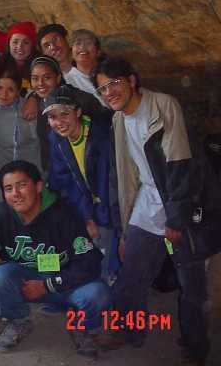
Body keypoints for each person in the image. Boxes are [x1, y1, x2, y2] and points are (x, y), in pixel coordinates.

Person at [94, 57, 221, 365]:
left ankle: (195, 349)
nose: (109, 92)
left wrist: (176, 220)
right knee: (132, 273)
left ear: (132, 81)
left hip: (184, 205)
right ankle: (128, 330)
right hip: (148, 202)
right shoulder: (118, 120)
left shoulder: (164, 106)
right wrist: (126, 224)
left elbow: (181, 167)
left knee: (191, 284)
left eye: (114, 84)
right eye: (102, 89)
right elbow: (126, 174)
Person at [0, 160, 110, 357]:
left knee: (98, 293)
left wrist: (48, 286)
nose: (16, 194)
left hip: (67, 283)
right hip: (27, 281)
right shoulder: (0, 213)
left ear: (38, 187)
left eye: (22, 185)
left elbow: (90, 263)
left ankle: (82, 327)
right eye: (8, 188)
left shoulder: (65, 214)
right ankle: (18, 321)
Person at [44, 85, 117, 281]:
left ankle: (104, 283)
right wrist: (85, 217)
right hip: (85, 206)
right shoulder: (57, 140)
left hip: (111, 205)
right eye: (52, 117)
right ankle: (58, 288)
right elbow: (64, 182)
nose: (58, 122)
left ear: (78, 111)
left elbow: (107, 184)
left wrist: (95, 219)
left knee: (103, 250)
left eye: (64, 114)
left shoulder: (100, 137)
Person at [29, 55, 108, 175]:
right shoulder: (41, 102)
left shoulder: (81, 100)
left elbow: (104, 129)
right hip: (59, 175)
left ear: (58, 78)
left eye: (47, 77)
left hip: (91, 172)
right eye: (35, 78)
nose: (40, 83)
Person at [0, 69, 41, 203]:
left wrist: (34, 97)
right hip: (0, 177)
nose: (3, 94)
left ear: (18, 91)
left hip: (29, 177)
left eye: (10, 89)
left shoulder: (28, 109)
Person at [64, 29, 106, 105]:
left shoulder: (108, 74)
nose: (82, 47)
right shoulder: (66, 81)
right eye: (78, 43)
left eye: (88, 43)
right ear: (71, 53)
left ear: (98, 51)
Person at [5, 21, 38, 90]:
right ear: (9, 44)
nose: (20, 47)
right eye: (15, 42)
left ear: (32, 46)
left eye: (26, 43)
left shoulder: (39, 66)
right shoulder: (0, 65)